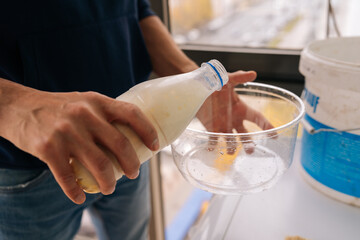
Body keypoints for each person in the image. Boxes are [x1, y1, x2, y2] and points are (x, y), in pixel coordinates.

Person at [0, 1, 273, 239]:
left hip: (133, 138)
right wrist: (13, 105)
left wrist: (195, 82)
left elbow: (135, 10)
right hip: (28, 164)